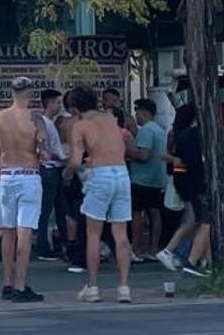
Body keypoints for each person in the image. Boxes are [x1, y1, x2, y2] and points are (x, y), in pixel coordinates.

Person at [64, 86, 133, 304]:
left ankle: (92, 287)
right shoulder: (110, 119)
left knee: (93, 234)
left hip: (99, 176)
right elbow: (121, 147)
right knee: (120, 233)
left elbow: (75, 161)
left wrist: (68, 172)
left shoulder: (80, 125)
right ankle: (124, 287)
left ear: (75, 109)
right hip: (121, 173)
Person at [0, 77, 45, 303]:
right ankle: (21, 286)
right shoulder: (35, 118)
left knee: (8, 231)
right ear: (29, 93)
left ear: (11, 92)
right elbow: (43, 149)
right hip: (28, 176)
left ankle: (6, 284)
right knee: (25, 232)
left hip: (6, 176)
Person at [156, 105, 210, 276]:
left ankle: (204, 259)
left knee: (195, 220)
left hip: (183, 180)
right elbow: (191, 161)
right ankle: (179, 254)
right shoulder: (195, 136)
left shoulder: (179, 135)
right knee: (201, 221)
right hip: (195, 182)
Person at [127, 99, 166, 262]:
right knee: (155, 213)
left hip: (142, 179)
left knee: (137, 213)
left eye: (137, 112)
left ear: (144, 112)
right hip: (157, 178)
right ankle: (153, 249)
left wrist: (128, 151)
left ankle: (135, 249)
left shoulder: (146, 131)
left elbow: (144, 155)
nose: (136, 116)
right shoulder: (159, 130)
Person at [36, 89, 68, 262]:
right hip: (49, 169)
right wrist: (62, 157)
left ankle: (64, 243)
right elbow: (44, 149)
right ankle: (43, 246)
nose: (59, 106)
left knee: (60, 210)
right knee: (46, 210)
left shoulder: (50, 123)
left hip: (54, 170)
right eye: (57, 102)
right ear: (49, 103)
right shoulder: (44, 123)